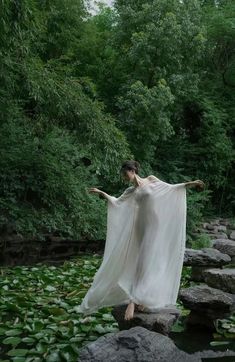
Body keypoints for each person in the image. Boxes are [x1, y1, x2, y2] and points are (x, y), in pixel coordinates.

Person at [77, 160, 205, 320]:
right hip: (140, 227)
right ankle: (135, 299)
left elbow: (170, 188)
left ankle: (138, 299)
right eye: (123, 175)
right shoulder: (131, 191)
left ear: (132, 171)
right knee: (141, 261)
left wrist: (191, 183)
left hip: (155, 225)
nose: (124, 177)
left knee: (151, 260)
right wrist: (102, 193)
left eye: (125, 174)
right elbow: (117, 202)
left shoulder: (151, 179)